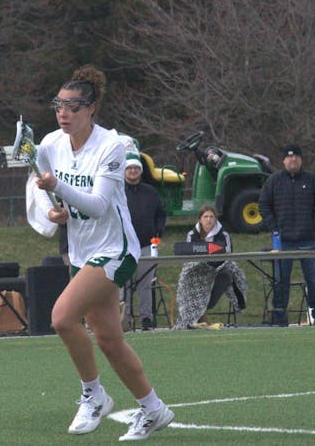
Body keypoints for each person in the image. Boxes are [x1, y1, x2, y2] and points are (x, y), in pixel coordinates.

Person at [35, 64, 173, 441]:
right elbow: (44, 189)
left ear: (91, 108)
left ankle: (93, 395)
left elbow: (97, 205)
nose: (63, 112)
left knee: (62, 317)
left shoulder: (113, 146)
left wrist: (59, 187)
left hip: (116, 250)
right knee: (109, 339)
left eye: (72, 106)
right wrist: (53, 210)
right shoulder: (50, 144)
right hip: (83, 252)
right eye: (58, 105)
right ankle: (153, 408)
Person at [259, 143, 315, 326]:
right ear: (283, 160)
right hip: (283, 242)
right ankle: (279, 315)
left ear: (301, 159)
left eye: (296, 157)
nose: (293, 160)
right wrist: (274, 228)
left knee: (313, 279)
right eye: (289, 157)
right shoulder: (273, 181)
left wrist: (314, 226)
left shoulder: (311, 180)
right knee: (281, 280)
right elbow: (264, 205)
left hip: (308, 240)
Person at [172, 205, 248, 329]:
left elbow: (227, 255)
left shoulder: (224, 235)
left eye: (211, 217)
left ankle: (206, 305)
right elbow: (188, 258)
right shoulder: (192, 234)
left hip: (218, 269)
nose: (208, 220)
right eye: (205, 217)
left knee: (228, 274)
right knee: (187, 279)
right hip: (198, 272)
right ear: (200, 219)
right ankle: (194, 315)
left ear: (216, 219)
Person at [121, 155, 166, 331]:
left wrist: (158, 232)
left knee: (145, 285)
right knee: (123, 286)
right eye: (129, 168)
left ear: (140, 170)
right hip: (123, 247)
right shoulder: (118, 191)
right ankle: (124, 320)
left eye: (136, 168)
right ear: (124, 171)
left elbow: (161, 214)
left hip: (146, 246)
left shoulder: (151, 192)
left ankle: (147, 319)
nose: (133, 171)